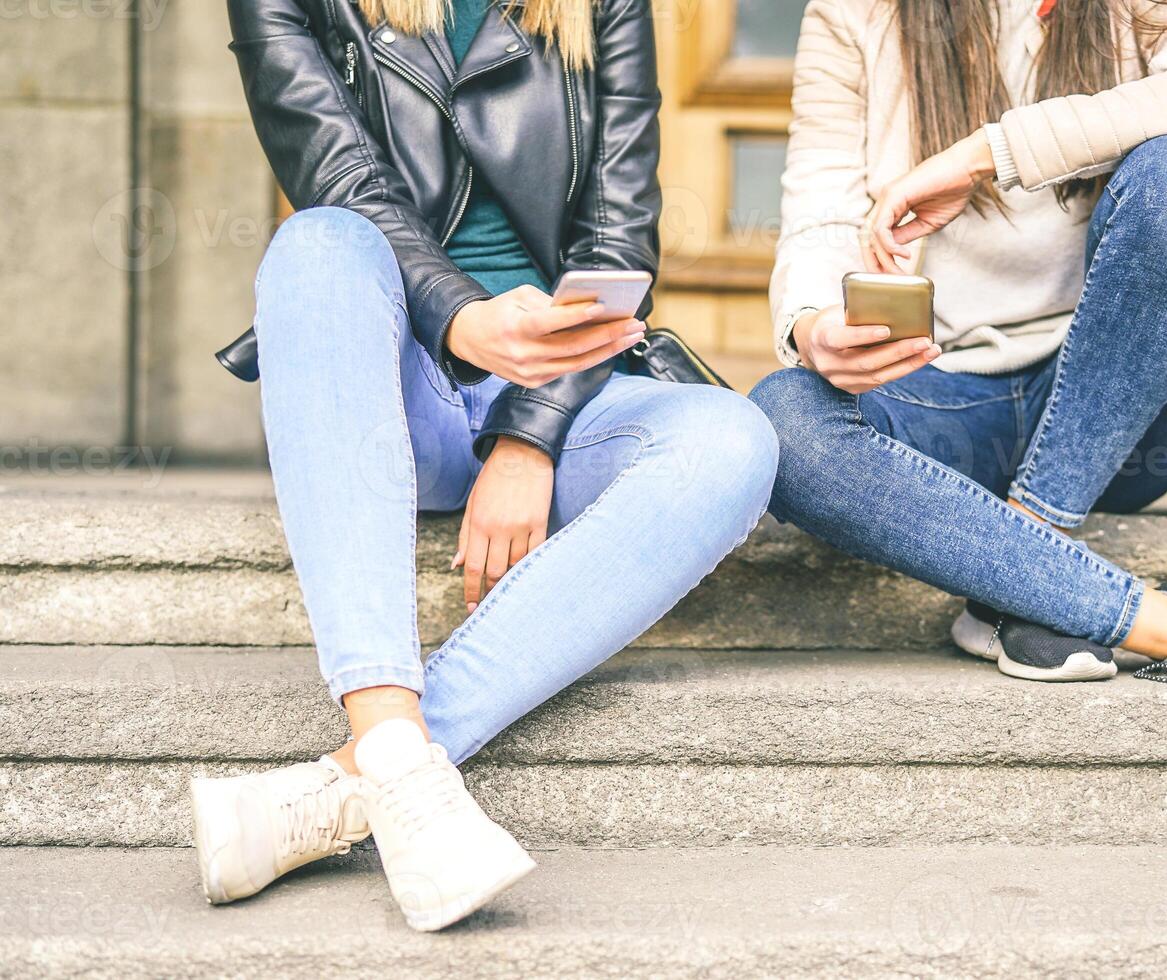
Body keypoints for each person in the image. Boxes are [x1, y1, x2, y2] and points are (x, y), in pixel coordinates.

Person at [190, 0, 778, 931]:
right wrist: (465, 317)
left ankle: (367, 776)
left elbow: (617, 241)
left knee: (734, 441)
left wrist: (528, 433)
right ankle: (388, 728)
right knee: (318, 242)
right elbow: (339, 179)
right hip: (393, 391)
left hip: (564, 393)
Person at [751, 0, 1167, 685]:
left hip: (1120, 417)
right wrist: (813, 323)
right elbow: (818, 213)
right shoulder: (854, 12)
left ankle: (1029, 548)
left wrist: (985, 155)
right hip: (945, 404)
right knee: (779, 424)